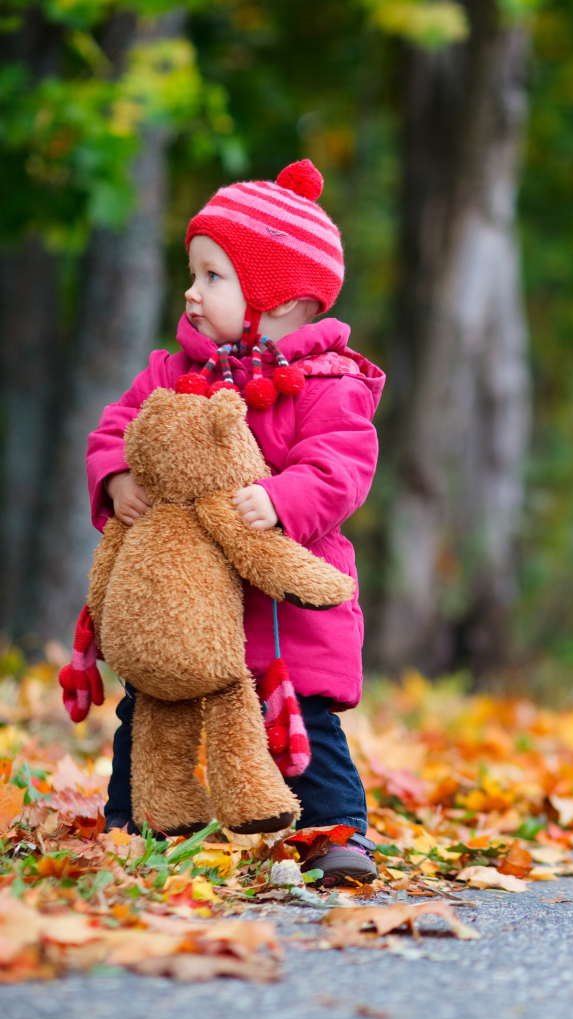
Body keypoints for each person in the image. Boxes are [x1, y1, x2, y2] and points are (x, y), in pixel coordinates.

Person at [87, 159, 384, 886]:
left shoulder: (327, 384)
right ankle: (135, 823)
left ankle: (334, 833)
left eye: (213, 277)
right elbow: (116, 428)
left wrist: (283, 501)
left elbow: (341, 466)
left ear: (284, 301)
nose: (192, 292)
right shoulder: (172, 374)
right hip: (184, 601)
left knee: (299, 722)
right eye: (193, 273)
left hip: (283, 609)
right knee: (149, 706)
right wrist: (118, 477)